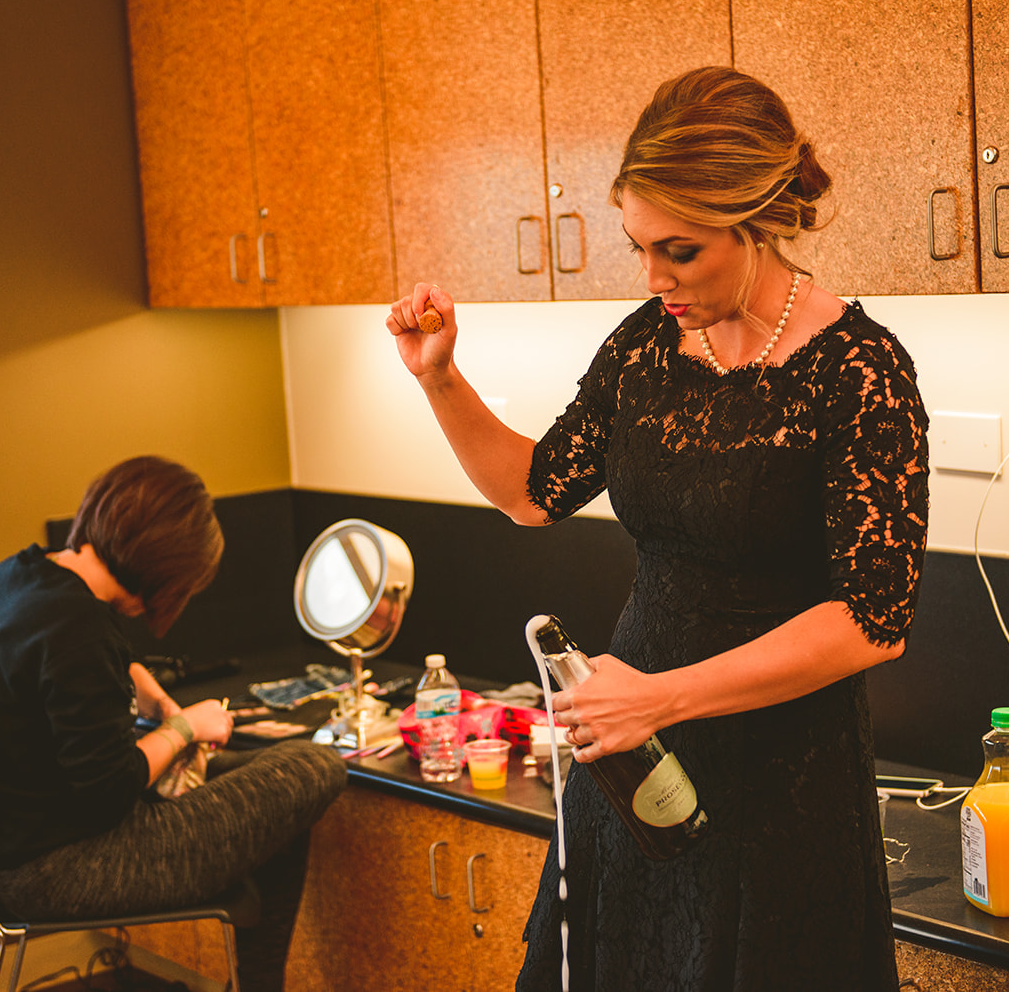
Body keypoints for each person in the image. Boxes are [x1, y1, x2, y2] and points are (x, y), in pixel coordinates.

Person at [386, 66, 929, 991]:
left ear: (758, 221)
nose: (654, 277)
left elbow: (872, 622)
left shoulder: (862, 372)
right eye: (640, 247)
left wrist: (664, 696)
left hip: (779, 783)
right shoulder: (645, 344)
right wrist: (439, 378)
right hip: (633, 766)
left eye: (679, 251)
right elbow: (532, 491)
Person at [0, 456, 346, 992]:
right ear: (163, 569)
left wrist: (133, 679)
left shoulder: (20, 576)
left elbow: (41, 659)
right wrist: (186, 728)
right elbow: (108, 794)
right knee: (314, 764)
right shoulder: (81, 631)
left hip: (5, 854)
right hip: (67, 868)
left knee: (271, 794)